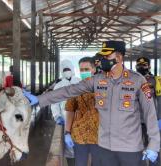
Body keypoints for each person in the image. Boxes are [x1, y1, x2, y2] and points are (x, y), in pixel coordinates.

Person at [23, 41, 160, 166]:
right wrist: (40, 99)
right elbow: (69, 90)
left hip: (130, 149)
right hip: (104, 148)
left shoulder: (137, 80)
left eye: (106, 56)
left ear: (118, 58)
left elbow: (150, 114)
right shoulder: (97, 80)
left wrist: (154, 144)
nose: (102, 60)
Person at [64, 57, 100, 166]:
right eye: (81, 70)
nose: (84, 72)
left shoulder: (103, 87)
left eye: (86, 69)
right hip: (79, 135)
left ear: (93, 69)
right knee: (80, 163)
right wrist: (67, 132)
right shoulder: (75, 88)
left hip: (99, 136)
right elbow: (70, 110)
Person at [50, 60, 80, 166]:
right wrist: (57, 116)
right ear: (62, 72)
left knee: (81, 146)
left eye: (68, 69)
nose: (67, 71)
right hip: (65, 119)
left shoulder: (79, 82)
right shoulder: (58, 86)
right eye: (65, 70)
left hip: (80, 120)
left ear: (72, 70)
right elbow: (54, 103)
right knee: (69, 147)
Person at [136, 56, 161, 166]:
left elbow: (160, 100)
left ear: (149, 66)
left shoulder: (156, 80)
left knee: (153, 145)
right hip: (136, 120)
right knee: (137, 145)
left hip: (152, 119)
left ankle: (154, 163)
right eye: (139, 65)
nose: (141, 67)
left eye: (144, 65)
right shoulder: (132, 80)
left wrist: (159, 118)